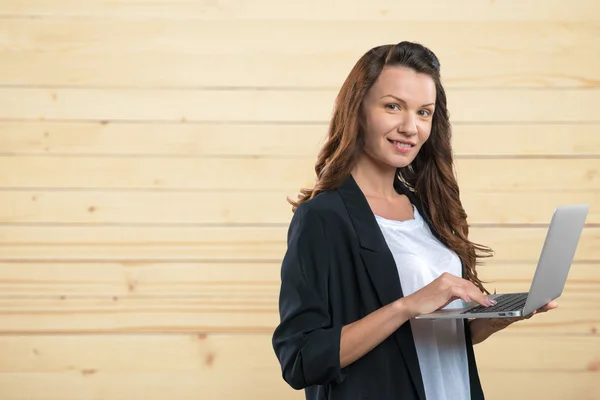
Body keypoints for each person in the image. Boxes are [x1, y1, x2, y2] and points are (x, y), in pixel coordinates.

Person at [271, 41, 557, 400]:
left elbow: (438, 338)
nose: (411, 127)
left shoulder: (427, 210)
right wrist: (408, 305)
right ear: (357, 109)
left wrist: (498, 317)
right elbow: (301, 359)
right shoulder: (324, 218)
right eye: (393, 106)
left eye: (424, 112)